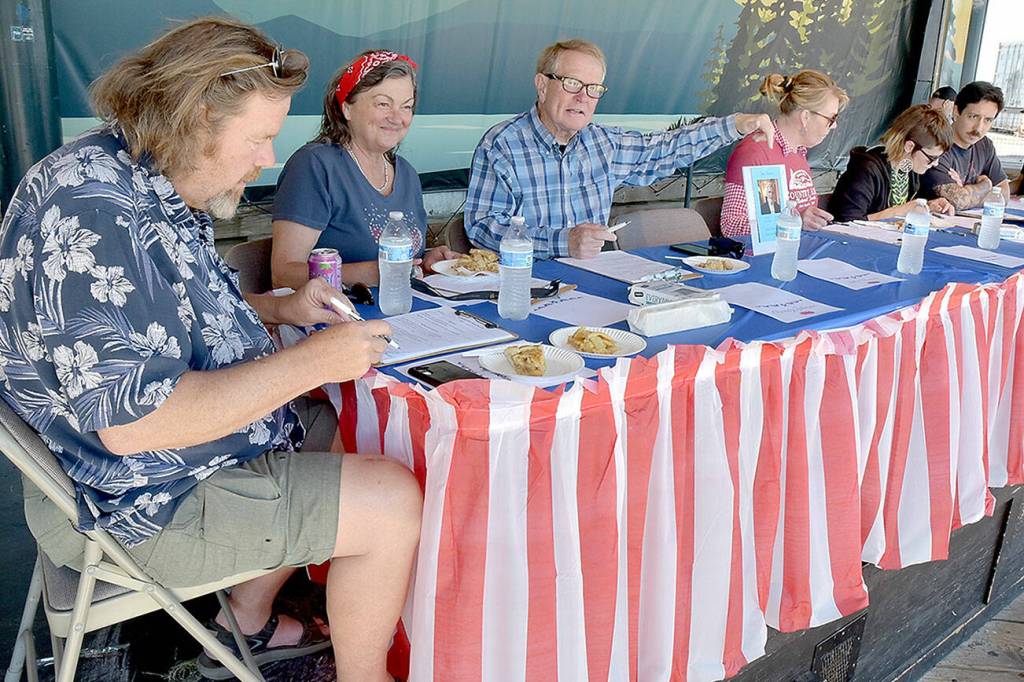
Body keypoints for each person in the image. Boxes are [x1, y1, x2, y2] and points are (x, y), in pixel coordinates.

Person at [0, 17, 419, 682]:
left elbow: (166, 317)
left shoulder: (142, 175)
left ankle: (246, 617)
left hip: (166, 462)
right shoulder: (94, 212)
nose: (268, 158)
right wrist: (312, 361)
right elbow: (137, 423)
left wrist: (281, 308)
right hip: (139, 502)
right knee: (393, 499)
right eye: (259, 137)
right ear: (198, 116)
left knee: (352, 425)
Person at [464, 38, 775, 259]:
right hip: (524, 284)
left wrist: (735, 125)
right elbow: (482, 228)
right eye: (572, 83)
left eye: (593, 89)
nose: (582, 97)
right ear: (542, 85)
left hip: (591, 282)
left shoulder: (603, 144)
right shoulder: (502, 145)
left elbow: (667, 148)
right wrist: (562, 241)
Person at [272, 51, 459, 290]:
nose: (397, 118)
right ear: (347, 108)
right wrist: (370, 273)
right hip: (336, 310)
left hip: (402, 307)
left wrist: (426, 262)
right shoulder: (315, 166)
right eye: (383, 104)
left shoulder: (407, 174)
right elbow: (283, 274)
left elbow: (402, 263)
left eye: (406, 106)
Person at [721, 69, 849, 237]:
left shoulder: (797, 153)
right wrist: (795, 222)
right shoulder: (757, 152)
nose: (834, 126)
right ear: (805, 117)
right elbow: (731, 226)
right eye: (831, 119)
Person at [828, 105, 955, 222]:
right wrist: (900, 211)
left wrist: (928, 206)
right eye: (932, 158)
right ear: (909, 146)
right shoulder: (866, 169)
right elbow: (847, 221)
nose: (935, 164)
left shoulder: (910, 169)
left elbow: (911, 207)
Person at [919, 81, 1010, 210]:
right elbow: (959, 201)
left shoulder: (984, 145)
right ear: (956, 112)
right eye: (973, 116)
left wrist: (967, 191)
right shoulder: (937, 144)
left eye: (988, 120)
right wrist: (985, 186)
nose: (978, 128)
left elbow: (1004, 194)